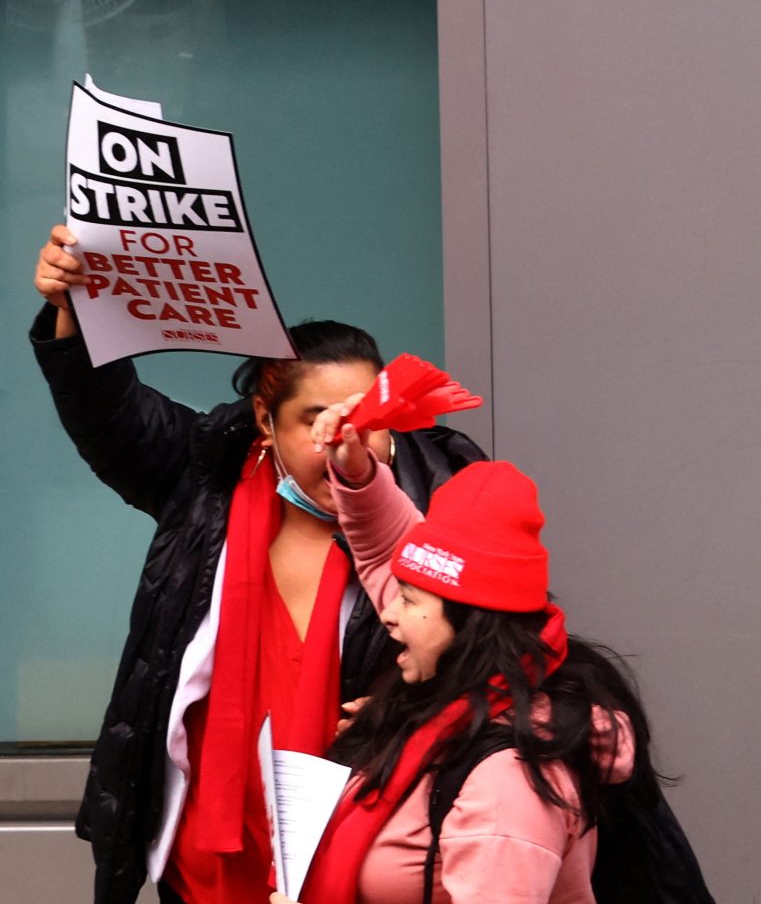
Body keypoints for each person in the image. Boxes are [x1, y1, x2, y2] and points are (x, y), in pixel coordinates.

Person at [28, 226, 484, 904]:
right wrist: (76, 305)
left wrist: (413, 716)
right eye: (317, 420)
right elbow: (109, 412)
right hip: (208, 857)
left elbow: (503, 657)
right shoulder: (204, 474)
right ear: (265, 422)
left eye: (368, 414)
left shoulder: (446, 492)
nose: (344, 439)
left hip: (368, 851)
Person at [265, 407, 656, 904]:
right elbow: (396, 554)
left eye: (407, 600)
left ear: (468, 626)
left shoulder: (508, 785)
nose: (387, 613)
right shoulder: (463, 700)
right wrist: (358, 475)